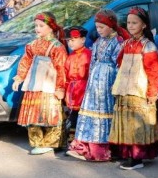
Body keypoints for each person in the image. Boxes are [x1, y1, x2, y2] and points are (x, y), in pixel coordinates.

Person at [66, 10, 126, 162]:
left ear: (111, 26)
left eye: (102, 27)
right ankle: (83, 145)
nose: (98, 30)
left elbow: (118, 64)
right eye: (97, 27)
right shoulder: (98, 42)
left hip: (108, 81)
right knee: (90, 112)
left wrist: (115, 83)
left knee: (105, 112)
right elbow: (92, 61)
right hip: (94, 82)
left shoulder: (117, 42)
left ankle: (103, 149)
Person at [109, 8, 158, 169]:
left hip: (139, 90)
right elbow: (119, 63)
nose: (131, 26)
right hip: (125, 89)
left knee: (137, 122)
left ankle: (137, 157)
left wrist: (152, 92)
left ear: (144, 25)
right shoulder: (126, 44)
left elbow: (153, 71)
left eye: (135, 23)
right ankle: (127, 153)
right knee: (126, 122)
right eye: (129, 23)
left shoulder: (148, 46)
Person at [11, 12, 68, 154]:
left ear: (51, 27)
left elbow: (61, 68)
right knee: (32, 112)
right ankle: (37, 141)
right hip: (34, 83)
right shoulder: (32, 45)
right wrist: (19, 77)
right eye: (36, 25)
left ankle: (51, 142)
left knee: (50, 112)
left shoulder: (56, 46)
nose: (37, 28)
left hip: (49, 84)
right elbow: (25, 61)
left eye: (41, 26)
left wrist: (60, 87)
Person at [63, 26, 92, 135]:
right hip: (72, 91)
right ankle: (72, 142)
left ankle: (81, 141)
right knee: (72, 116)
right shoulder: (70, 56)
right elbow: (66, 73)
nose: (70, 43)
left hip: (83, 90)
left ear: (83, 40)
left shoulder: (88, 54)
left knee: (82, 116)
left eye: (73, 40)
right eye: (69, 40)